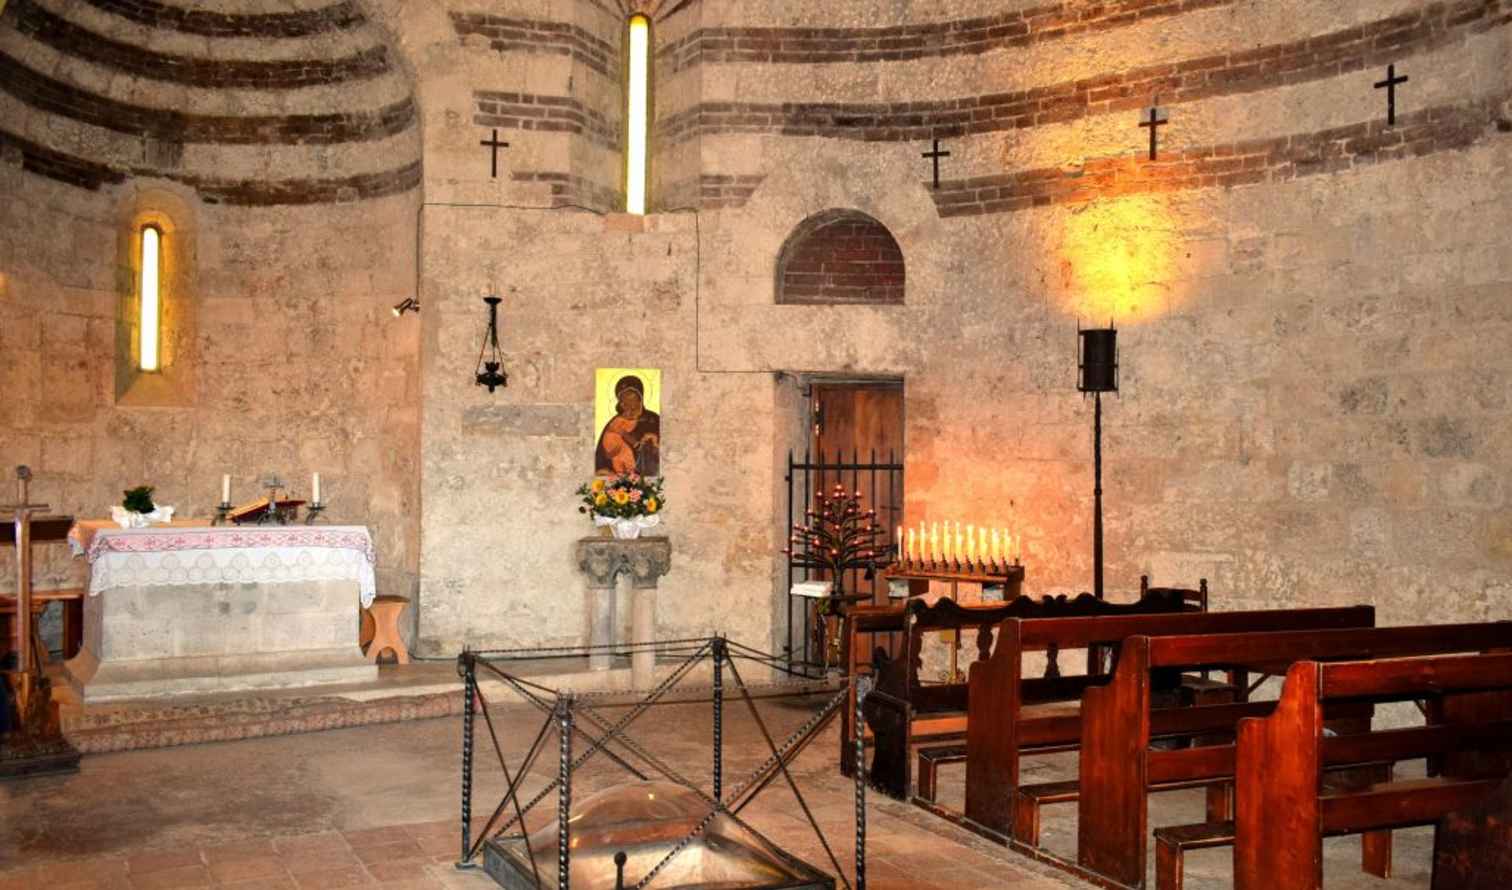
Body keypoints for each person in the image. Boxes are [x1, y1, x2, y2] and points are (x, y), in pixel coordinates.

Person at [595, 375, 660, 476]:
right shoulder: (615, 421)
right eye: (622, 398)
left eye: (630, 396)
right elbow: (601, 455)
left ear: (640, 397)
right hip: (618, 477)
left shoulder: (654, 419)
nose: (626, 402)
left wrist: (653, 443)